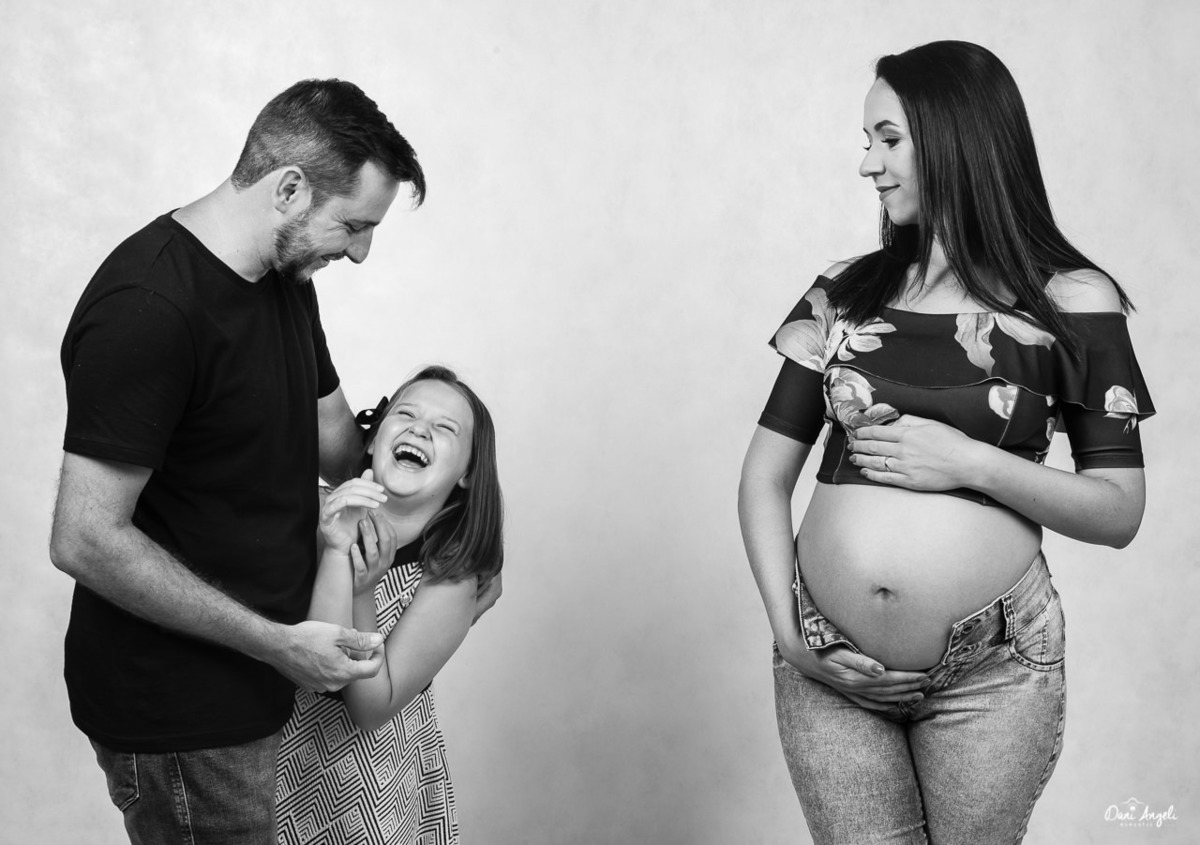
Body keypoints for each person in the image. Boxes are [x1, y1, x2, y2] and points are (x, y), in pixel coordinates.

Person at [738, 41, 1154, 845]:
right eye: (868, 141)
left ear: (955, 135)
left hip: (991, 675)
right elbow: (762, 477)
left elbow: (1119, 510)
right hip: (830, 665)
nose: (868, 164)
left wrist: (968, 461)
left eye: (888, 139)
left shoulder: (1070, 302)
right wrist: (792, 636)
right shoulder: (843, 296)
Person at [50, 79, 427, 844]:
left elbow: (336, 440)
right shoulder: (150, 308)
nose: (360, 252)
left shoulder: (285, 278)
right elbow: (84, 538)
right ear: (289, 189)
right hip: (183, 715)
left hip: (257, 683)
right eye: (355, 225)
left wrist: (451, 475)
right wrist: (277, 642)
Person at [275, 366, 504, 845]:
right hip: (278, 757)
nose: (420, 430)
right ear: (374, 439)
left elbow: (370, 708)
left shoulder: (451, 575)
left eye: (445, 427)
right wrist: (336, 548)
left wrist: (362, 591)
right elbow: (313, 665)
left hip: (372, 783)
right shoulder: (314, 512)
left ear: (467, 473)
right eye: (406, 415)